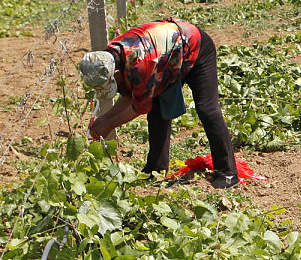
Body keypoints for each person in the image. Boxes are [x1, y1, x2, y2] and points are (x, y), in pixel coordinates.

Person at [79, 18, 239, 188]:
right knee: (157, 111)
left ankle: (228, 172)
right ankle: (156, 169)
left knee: (207, 108)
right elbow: (130, 92)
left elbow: (139, 106)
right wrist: (104, 120)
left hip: (196, 47)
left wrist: (109, 123)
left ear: (116, 72)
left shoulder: (140, 64)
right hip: (167, 57)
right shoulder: (109, 57)